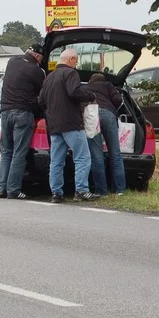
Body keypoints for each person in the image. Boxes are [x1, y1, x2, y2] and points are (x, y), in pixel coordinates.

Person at [40, 48, 98, 203]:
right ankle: (81, 191)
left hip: (54, 125)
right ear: (71, 59)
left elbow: (41, 101)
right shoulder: (71, 73)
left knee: (57, 161)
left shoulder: (49, 78)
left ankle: (56, 194)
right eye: (76, 60)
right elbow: (74, 92)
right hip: (72, 124)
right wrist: (90, 95)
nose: (77, 63)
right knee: (82, 157)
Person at [0, 43, 46, 199]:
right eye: (41, 58)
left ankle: (1, 188)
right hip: (23, 113)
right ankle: (14, 190)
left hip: (5, 112)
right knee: (19, 153)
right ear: (37, 56)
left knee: (7, 152)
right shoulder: (37, 71)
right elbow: (42, 95)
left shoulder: (12, 62)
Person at [83, 73, 126, 196]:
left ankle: (101, 191)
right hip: (108, 114)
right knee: (115, 154)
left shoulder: (85, 88)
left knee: (97, 156)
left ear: (90, 81)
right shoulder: (108, 85)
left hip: (92, 116)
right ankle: (120, 190)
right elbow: (118, 99)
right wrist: (112, 108)